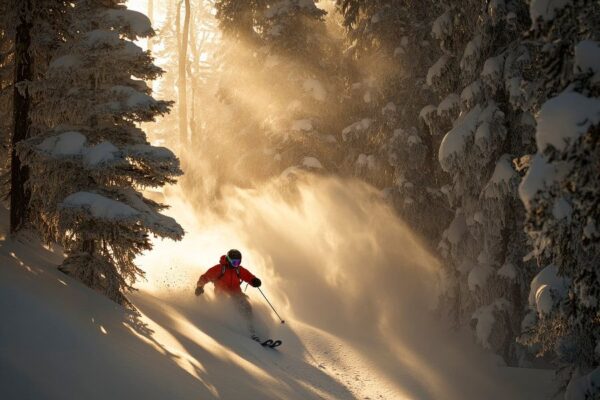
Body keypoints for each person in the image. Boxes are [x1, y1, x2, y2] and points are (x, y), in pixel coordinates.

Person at [195, 249, 262, 335]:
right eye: (234, 262)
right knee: (231, 304)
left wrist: (254, 281)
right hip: (222, 294)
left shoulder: (238, 270)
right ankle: (233, 328)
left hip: (236, 293)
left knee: (246, 305)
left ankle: (250, 327)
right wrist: (199, 287)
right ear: (228, 260)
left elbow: (248, 276)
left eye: (238, 262)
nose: (236, 265)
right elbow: (205, 277)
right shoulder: (219, 269)